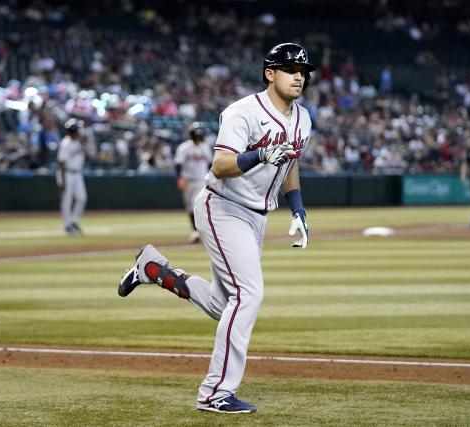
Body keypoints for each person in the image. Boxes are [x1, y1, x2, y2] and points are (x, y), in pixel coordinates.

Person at [117, 42, 314, 413]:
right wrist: (258, 155)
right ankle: (215, 392)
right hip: (223, 206)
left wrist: (298, 209)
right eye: (290, 69)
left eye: (303, 71)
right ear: (270, 73)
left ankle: (153, 269)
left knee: (225, 302)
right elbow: (222, 164)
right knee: (249, 294)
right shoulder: (242, 112)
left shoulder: (302, 118)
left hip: (257, 215)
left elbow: (292, 166)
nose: (299, 76)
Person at [174, 122, 213, 243]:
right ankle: (196, 230)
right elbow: (178, 164)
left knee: (198, 204)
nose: (198, 137)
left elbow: (210, 164)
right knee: (190, 206)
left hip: (201, 179)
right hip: (188, 180)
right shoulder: (184, 147)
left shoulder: (205, 147)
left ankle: (199, 231)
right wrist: (179, 177)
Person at [56, 118, 87, 235]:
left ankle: (73, 221)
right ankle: (67, 225)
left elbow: (86, 143)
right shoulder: (66, 143)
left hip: (77, 173)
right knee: (67, 200)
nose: (79, 131)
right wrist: (62, 180)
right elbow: (62, 164)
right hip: (67, 173)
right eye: (77, 129)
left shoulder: (78, 141)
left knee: (81, 198)